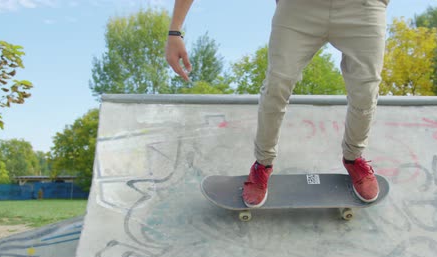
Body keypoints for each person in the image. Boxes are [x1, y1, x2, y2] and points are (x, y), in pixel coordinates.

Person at [166, 0, 388, 207]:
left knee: (366, 90)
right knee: (276, 85)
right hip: (299, 9)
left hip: (362, 8)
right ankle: (262, 164)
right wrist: (175, 30)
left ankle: (353, 158)